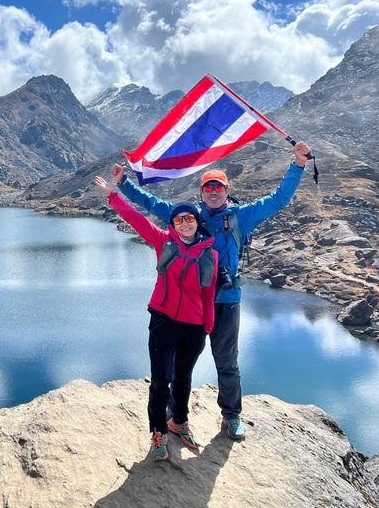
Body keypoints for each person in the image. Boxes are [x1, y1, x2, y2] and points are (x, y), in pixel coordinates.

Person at [110, 142, 312, 440]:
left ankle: (231, 415)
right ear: (201, 193)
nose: (214, 192)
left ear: (227, 191)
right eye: (208, 188)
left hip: (226, 302)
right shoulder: (189, 217)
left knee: (227, 362)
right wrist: (123, 184)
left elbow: (278, 200)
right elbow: (152, 205)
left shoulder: (240, 216)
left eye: (219, 188)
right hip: (190, 304)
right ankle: (173, 413)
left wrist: (297, 165)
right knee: (180, 363)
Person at [95, 175, 218, 461]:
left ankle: (179, 421)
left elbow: (208, 295)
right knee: (161, 380)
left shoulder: (209, 253)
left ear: (198, 222)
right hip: (163, 322)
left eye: (190, 218)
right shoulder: (164, 242)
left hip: (194, 328)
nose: (185, 223)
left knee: (184, 378)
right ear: (172, 225)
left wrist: (207, 327)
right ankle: (159, 432)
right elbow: (137, 220)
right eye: (178, 220)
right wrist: (114, 196)